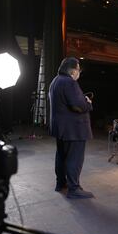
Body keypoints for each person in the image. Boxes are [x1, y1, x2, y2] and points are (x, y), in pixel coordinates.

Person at [48, 57, 94, 199]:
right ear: (73, 70)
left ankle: (61, 183)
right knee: (75, 158)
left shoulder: (55, 81)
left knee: (61, 156)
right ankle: (74, 188)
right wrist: (88, 103)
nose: (79, 72)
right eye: (79, 69)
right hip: (74, 130)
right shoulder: (69, 82)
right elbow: (78, 105)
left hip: (61, 129)